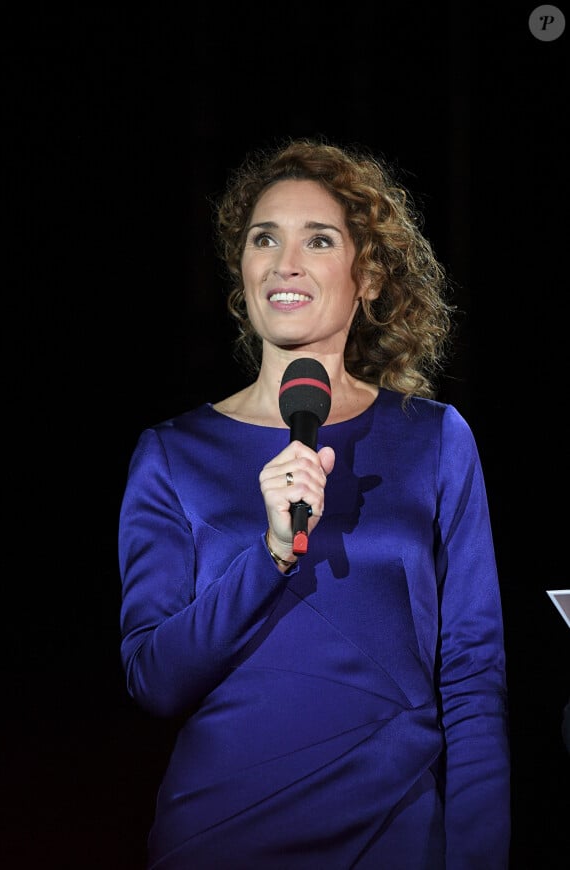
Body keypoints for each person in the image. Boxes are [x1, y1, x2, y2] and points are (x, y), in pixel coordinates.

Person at [118, 137, 511, 869]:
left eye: (319, 239)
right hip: (222, 831)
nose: (285, 261)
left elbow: (472, 673)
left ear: (367, 275)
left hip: (393, 832)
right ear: (243, 270)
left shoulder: (434, 441)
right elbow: (153, 679)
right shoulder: (173, 454)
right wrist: (269, 553)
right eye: (264, 237)